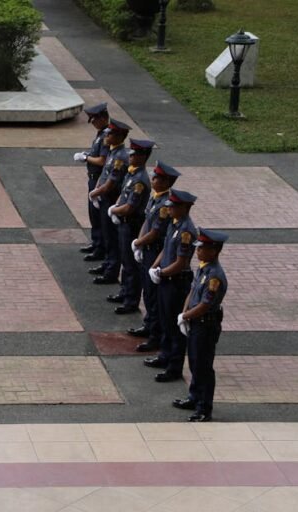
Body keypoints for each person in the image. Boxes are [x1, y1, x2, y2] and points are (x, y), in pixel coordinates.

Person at [172, 228, 228, 422]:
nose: (198, 251)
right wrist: (185, 313)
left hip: (206, 325)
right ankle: (194, 397)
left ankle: (204, 408)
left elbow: (205, 305)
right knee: (195, 362)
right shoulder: (203, 268)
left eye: (203, 248)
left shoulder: (214, 276)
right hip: (196, 323)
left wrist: (186, 316)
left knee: (203, 366)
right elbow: (193, 292)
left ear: (214, 250)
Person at [143, 189, 198, 382]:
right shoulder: (174, 225)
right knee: (165, 320)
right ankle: (164, 355)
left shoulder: (186, 231)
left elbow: (181, 262)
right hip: (166, 279)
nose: (170, 209)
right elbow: (166, 249)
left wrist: (162, 273)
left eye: (174, 207)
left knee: (174, 327)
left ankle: (174, 367)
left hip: (176, 282)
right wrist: (155, 266)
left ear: (184, 207)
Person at [128, 161, 181, 350]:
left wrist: (140, 242)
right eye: (155, 176)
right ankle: (149, 325)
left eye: (158, 178)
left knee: (153, 297)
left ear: (167, 181)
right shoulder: (155, 198)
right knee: (147, 292)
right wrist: (139, 241)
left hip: (154, 250)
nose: (154, 179)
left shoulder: (165, 206)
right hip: (147, 249)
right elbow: (146, 222)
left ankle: (154, 336)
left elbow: (156, 232)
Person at [107, 139, 153, 314]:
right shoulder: (131, 173)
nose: (130, 157)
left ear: (142, 157)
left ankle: (131, 300)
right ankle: (125, 292)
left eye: (134, 154)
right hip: (124, 222)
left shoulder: (140, 180)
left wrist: (115, 210)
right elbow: (123, 196)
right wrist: (117, 207)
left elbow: (130, 206)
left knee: (131, 265)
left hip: (132, 223)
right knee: (125, 261)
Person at [88, 119, 130, 285]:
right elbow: (104, 175)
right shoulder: (113, 152)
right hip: (104, 197)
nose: (107, 136)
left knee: (112, 237)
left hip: (110, 198)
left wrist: (95, 192)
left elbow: (111, 182)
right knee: (106, 234)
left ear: (119, 136)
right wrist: (97, 189)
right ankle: (107, 264)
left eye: (110, 133)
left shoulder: (120, 157)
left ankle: (111, 271)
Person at [74, 102, 110, 262]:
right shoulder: (101, 133)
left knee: (99, 215)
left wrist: (86, 158)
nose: (93, 123)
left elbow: (102, 161)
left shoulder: (107, 136)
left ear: (103, 118)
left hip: (99, 181)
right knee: (93, 215)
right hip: (93, 179)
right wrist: (88, 154)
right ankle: (96, 242)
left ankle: (100, 248)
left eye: (95, 120)